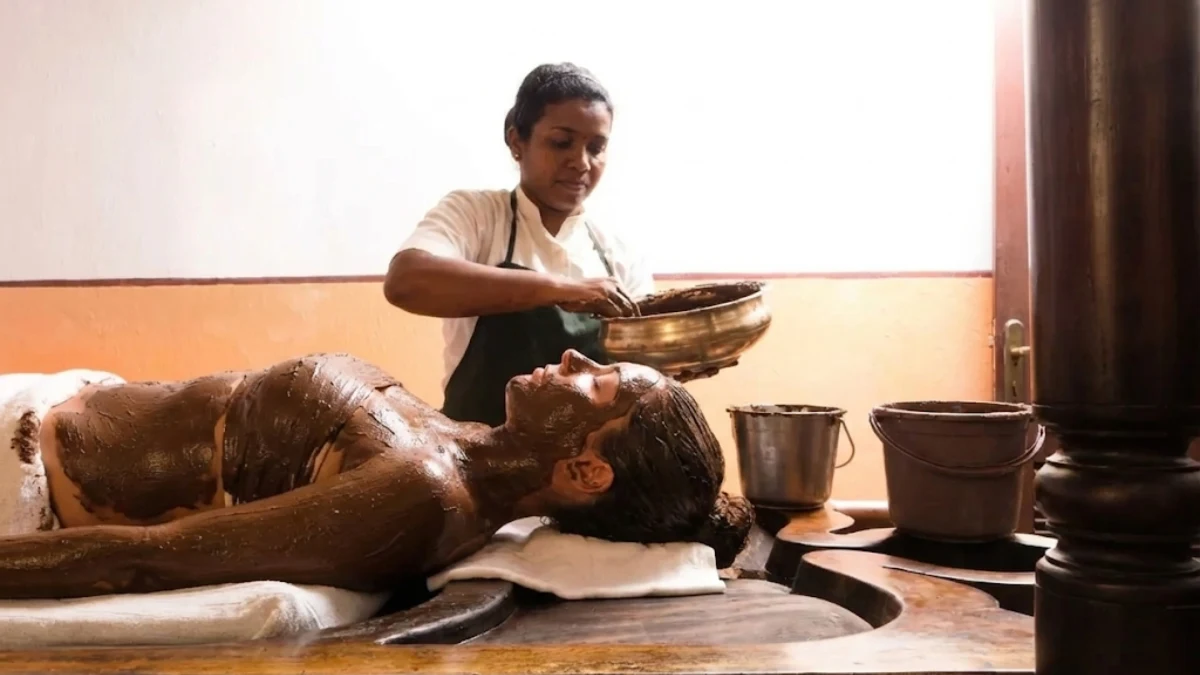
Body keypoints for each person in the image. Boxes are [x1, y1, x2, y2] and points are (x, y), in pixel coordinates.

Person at [0, 350, 754, 600]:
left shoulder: (422, 498)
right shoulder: (459, 440)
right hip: (48, 397)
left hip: (24, 464)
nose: (572, 360)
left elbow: (147, 559)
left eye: (598, 383)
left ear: (587, 468)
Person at [383, 62, 656, 428]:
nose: (580, 162)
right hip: (476, 458)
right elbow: (406, 281)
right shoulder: (477, 215)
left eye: (597, 147)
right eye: (562, 143)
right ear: (516, 141)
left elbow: (643, 374)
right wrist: (561, 289)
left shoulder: (619, 254)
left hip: (582, 471)